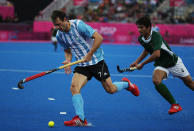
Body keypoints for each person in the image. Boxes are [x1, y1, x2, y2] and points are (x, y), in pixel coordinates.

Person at [51, 10, 140, 126]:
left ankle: (127, 84)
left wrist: (90, 53)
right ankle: (81, 119)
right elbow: (67, 50)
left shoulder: (78, 25)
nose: (58, 27)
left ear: (64, 19)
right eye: (55, 25)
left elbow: (99, 38)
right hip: (82, 65)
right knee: (74, 87)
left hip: (97, 61)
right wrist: (68, 60)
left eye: (59, 24)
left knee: (110, 89)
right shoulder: (59, 35)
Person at [130, 16, 194, 115]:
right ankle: (175, 104)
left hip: (173, 62)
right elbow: (147, 50)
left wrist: (142, 64)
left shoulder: (156, 36)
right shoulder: (141, 39)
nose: (139, 30)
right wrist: (137, 61)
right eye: (138, 27)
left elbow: (156, 54)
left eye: (142, 27)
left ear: (149, 27)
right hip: (161, 64)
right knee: (156, 80)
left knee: (190, 83)